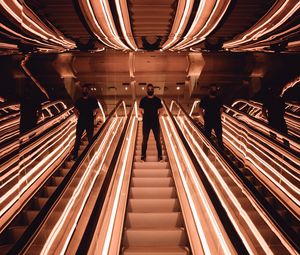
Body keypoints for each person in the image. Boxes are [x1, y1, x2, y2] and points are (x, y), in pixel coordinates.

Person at [71, 84, 100, 159]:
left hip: (88, 121)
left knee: (90, 139)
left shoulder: (92, 100)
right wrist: (78, 116)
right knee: (78, 138)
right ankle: (75, 155)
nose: (84, 91)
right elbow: (75, 110)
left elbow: (97, 110)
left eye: (86, 90)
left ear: (88, 91)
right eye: (83, 90)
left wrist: (94, 118)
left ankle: (91, 155)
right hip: (82, 121)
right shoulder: (79, 101)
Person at [139, 83, 163, 161]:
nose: (150, 90)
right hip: (146, 123)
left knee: (158, 140)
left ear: (153, 90)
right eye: (149, 89)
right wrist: (143, 117)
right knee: (144, 140)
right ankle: (143, 156)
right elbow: (140, 110)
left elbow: (162, 110)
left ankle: (160, 156)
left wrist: (158, 117)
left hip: (155, 123)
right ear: (146, 90)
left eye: (151, 89)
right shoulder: (143, 100)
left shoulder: (157, 100)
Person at [199, 84, 224, 149]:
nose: (214, 90)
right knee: (215, 137)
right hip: (213, 120)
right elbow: (221, 110)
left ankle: (220, 151)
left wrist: (204, 117)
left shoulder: (205, 99)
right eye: (213, 89)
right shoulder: (218, 99)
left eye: (214, 89)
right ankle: (220, 150)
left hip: (212, 120)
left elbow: (200, 110)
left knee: (213, 137)